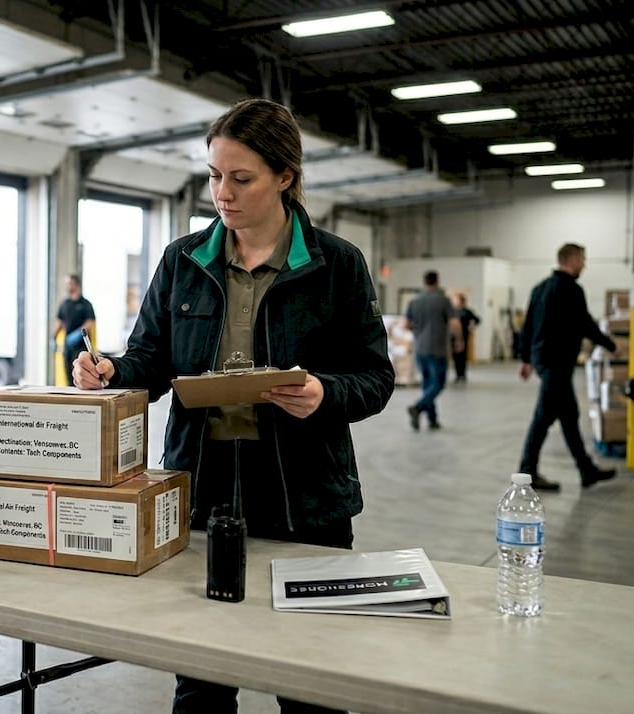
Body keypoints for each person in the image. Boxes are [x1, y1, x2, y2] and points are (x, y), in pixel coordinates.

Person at [70, 98, 393, 714]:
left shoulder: (338, 266)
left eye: (241, 178)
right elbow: (151, 360)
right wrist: (111, 370)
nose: (222, 193)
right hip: (202, 493)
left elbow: (375, 378)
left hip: (304, 504)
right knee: (201, 682)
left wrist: (324, 393)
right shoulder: (183, 261)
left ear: (285, 176)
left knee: (311, 684)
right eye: (215, 175)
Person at [517, 243, 617, 492]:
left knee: (569, 416)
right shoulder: (571, 289)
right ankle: (527, 473)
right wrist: (611, 345)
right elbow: (584, 323)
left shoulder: (540, 288)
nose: (584, 264)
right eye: (582, 259)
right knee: (542, 419)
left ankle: (586, 470)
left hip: (544, 360)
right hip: (557, 363)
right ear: (571, 260)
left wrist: (526, 359)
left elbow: (528, 326)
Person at [404, 271, 452, 430]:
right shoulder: (443, 300)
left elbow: (406, 324)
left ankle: (432, 420)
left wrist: (419, 331)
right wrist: (459, 340)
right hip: (438, 349)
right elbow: (455, 323)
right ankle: (417, 407)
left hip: (420, 348)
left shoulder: (415, 301)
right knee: (438, 384)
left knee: (427, 384)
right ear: (437, 281)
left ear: (424, 282)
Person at [51, 274, 95, 385]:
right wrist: (53, 337)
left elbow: (89, 323)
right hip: (68, 347)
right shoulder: (64, 304)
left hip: (81, 347)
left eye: (69, 283)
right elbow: (59, 322)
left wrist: (77, 334)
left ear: (76, 284)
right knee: (69, 376)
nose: (67, 286)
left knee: (80, 375)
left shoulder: (86, 304)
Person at [450, 293, 481, 383]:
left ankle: (462, 374)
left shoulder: (467, 311)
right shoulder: (452, 311)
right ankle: (457, 375)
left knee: (463, 356)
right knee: (455, 356)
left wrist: (472, 326)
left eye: (457, 300)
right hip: (453, 336)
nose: (456, 302)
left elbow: (477, 320)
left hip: (464, 336)